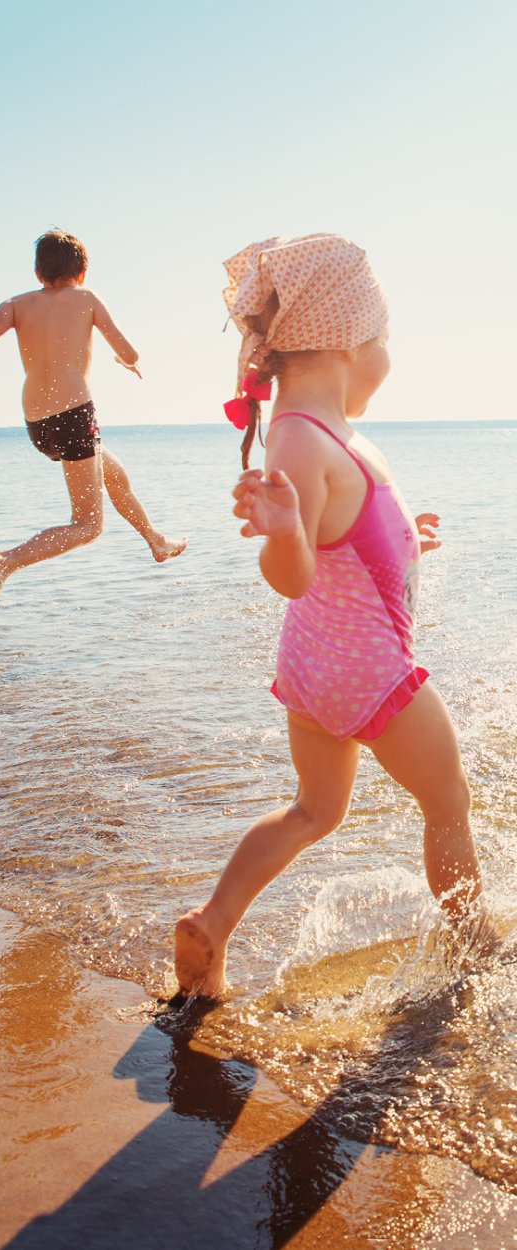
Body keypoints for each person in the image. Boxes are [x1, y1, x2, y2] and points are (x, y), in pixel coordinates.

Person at [174, 234, 485, 999]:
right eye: (387, 340)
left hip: (314, 671)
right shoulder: (300, 438)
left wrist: (413, 538)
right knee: (448, 802)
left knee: (315, 810)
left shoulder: (322, 432)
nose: (389, 358)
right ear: (350, 340)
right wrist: (282, 531)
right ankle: (476, 955)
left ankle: (213, 924)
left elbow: (351, 541)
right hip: (367, 672)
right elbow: (296, 571)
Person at [0, 229, 187, 618]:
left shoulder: (16, 304)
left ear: (38, 272)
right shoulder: (87, 298)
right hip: (73, 415)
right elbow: (130, 351)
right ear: (83, 271)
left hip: (37, 424)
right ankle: (5, 561)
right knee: (87, 526)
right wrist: (124, 361)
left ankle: (156, 540)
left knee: (114, 474)